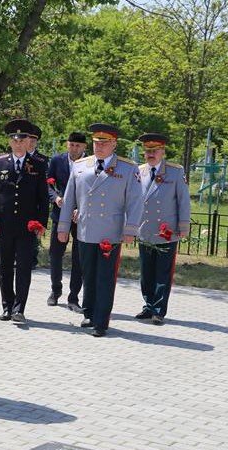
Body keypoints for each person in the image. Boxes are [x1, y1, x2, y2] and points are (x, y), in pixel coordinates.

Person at [57, 123, 143, 337]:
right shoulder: (80, 166)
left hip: (110, 232)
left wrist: (130, 228)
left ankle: (101, 321)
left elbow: (135, 201)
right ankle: (89, 312)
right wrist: (63, 226)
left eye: (104, 143)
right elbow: (69, 199)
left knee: (105, 276)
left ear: (114, 144)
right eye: (96, 142)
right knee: (89, 274)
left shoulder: (128, 168)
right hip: (86, 229)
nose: (99, 147)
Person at [0, 119, 49, 324]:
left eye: (22, 139)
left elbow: (42, 198)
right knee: (4, 266)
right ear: (10, 142)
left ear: (28, 141)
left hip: (27, 226)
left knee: (23, 267)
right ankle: (7, 306)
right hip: (4, 225)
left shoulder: (38, 165)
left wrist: (41, 223)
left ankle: (19, 308)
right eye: (15, 139)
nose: (19, 143)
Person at [135, 133, 190, 325]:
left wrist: (183, 226)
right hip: (145, 229)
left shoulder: (175, 172)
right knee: (146, 272)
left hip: (166, 231)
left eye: (154, 151)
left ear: (162, 152)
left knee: (162, 273)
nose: (151, 154)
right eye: (147, 151)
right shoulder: (139, 171)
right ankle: (148, 306)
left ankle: (158, 310)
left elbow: (183, 201)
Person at [47, 132, 86, 312]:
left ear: (84, 147)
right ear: (67, 145)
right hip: (60, 213)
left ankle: (74, 297)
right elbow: (47, 183)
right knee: (55, 253)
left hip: (81, 217)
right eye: (71, 145)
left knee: (79, 257)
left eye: (78, 146)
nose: (74, 148)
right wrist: (55, 198)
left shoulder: (91, 163)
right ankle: (55, 291)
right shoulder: (56, 161)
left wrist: (82, 208)